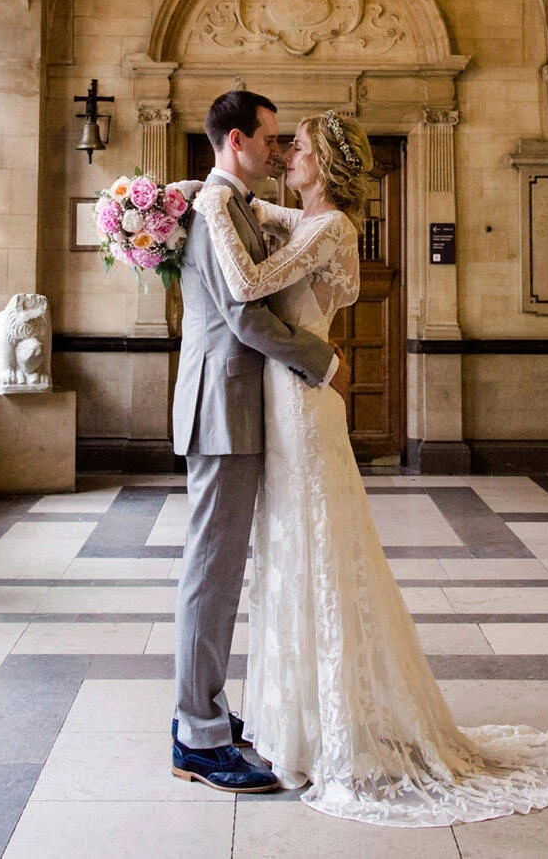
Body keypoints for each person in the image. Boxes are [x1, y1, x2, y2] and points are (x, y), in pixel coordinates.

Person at [190, 110, 548, 826]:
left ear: (329, 164)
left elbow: (250, 281)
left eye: (303, 148)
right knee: (287, 551)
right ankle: (297, 721)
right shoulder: (307, 217)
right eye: (285, 144)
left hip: (299, 400)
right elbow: (259, 206)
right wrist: (209, 192)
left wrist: (208, 205)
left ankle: (330, 727)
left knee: (316, 548)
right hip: (279, 401)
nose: (289, 154)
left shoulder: (334, 228)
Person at [168, 90, 338, 794]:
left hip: (235, 404)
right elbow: (242, 316)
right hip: (222, 406)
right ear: (236, 139)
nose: (276, 151)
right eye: (270, 138)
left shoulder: (233, 203)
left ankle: (203, 712)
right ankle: (198, 736)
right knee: (211, 570)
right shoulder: (213, 208)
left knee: (221, 566)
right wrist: (321, 359)